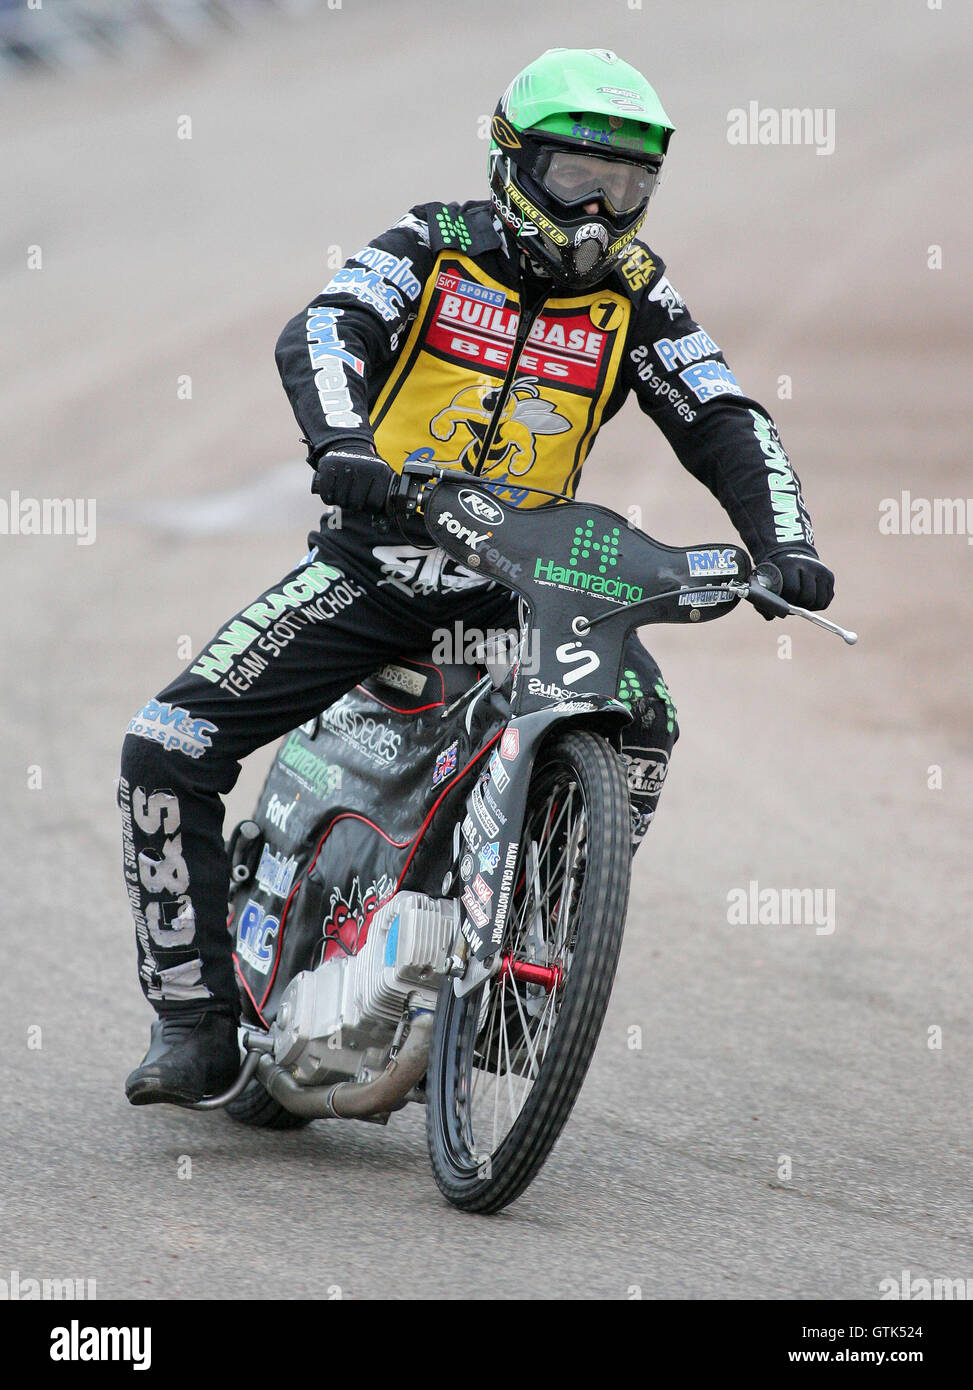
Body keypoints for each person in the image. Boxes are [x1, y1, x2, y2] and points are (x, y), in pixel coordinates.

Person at [120, 47, 835, 1106]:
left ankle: (525, 964)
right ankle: (192, 1022)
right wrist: (343, 443)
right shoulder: (432, 244)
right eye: (574, 179)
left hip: (527, 590)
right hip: (380, 567)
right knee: (165, 743)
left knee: (645, 717)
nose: (598, 212)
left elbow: (722, 413)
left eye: (626, 187)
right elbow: (323, 328)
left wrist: (786, 542)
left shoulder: (636, 294)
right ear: (511, 164)